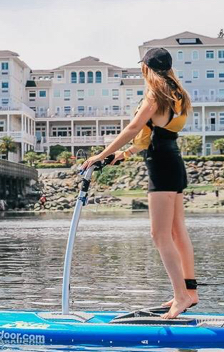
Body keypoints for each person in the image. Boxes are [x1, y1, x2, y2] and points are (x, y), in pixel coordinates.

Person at [81, 47, 196, 319]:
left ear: (147, 68)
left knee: (160, 234)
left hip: (162, 167)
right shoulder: (178, 94)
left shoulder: (155, 95)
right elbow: (154, 134)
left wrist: (101, 154)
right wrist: (124, 154)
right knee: (178, 231)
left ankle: (180, 297)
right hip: (174, 161)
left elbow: (134, 128)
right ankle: (190, 292)